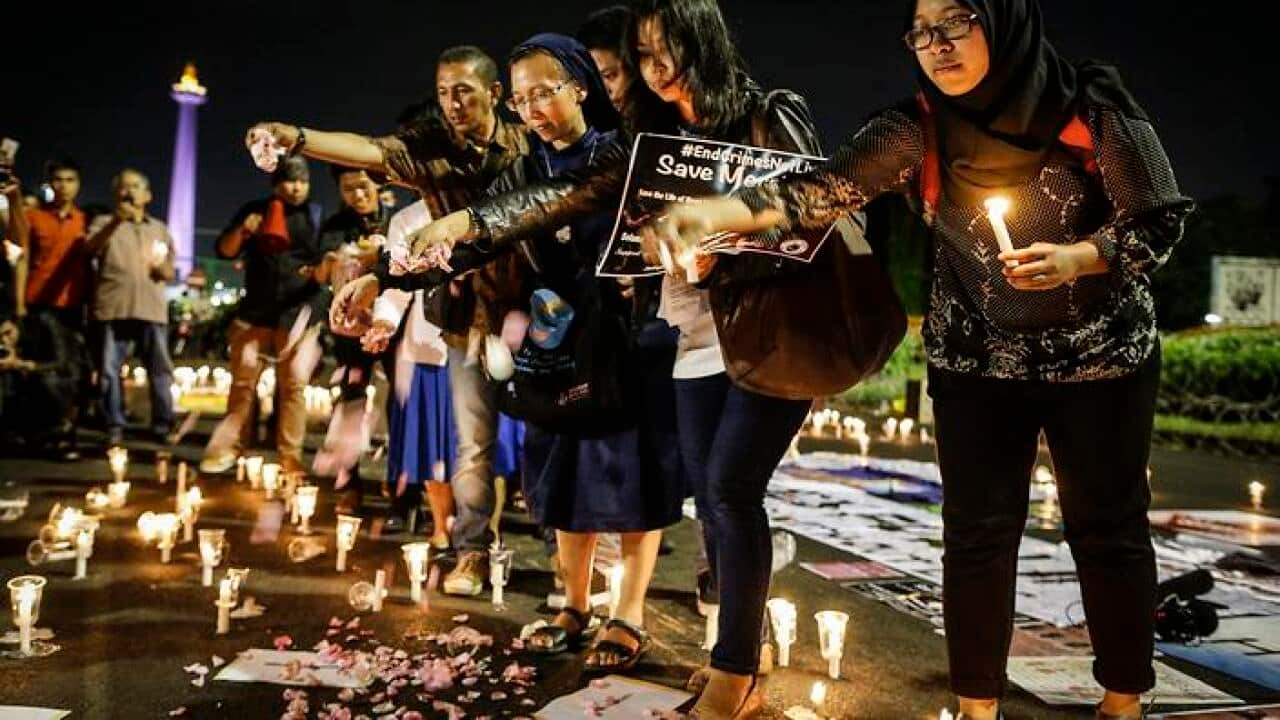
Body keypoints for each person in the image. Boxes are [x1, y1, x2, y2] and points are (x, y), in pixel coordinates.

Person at [645, 1, 1194, 717]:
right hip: (974, 360)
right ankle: (976, 706)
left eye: (957, 21)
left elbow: (1159, 217)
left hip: (1101, 361)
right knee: (975, 536)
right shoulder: (918, 127)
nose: (937, 45)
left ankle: (1122, 701)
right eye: (922, 31)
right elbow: (819, 191)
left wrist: (1082, 257)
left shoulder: (1091, 108)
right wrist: (713, 214)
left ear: (1003, 20)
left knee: (1108, 529)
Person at [342, 2, 835, 714]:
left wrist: (716, 236)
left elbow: (814, 204)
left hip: (758, 332)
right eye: (640, 59)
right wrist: (397, 268)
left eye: (661, 54)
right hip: (689, 338)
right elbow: (544, 202)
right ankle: (733, 655)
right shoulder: (646, 144)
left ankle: (730, 664)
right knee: (716, 499)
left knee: (724, 492)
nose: (653, 72)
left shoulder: (763, 114)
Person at [247, 46, 531, 596]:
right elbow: (370, 150)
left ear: (495, 93)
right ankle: (472, 551)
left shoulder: (526, 144)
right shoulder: (431, 150)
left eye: (464, 91)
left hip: (531, 315)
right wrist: (297, 137)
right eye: (444, 93)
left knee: (544, 439)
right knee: (472, 445)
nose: (453, 103)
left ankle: (570, 555)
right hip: (465, 322)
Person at [199, 156, 327, 475]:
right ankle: (232, 447)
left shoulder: (316, 216)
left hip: (298, 314)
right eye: (290, 180)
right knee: (242, 384)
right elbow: (225, 250)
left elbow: (326, 264)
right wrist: (244, 231)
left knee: (293, 388)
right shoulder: (255, 210)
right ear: (275, 183)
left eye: (303, 181)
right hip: (255, 313)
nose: (297, 187)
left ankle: (290, 455)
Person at [310, 164, 390, 515]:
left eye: (363, 186)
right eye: (348, 189)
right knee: (351, 398)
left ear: (378, 184)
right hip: (351, 328)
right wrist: (332, 263)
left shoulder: (395, 220)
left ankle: (402, 484)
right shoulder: (334, 227)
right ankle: (348, 480)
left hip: (392, 322)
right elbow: (319, 274)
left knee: (400, 401)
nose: (358, 195)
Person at [3, 157, 91, 459]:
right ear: (50, 184)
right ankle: (41, 433)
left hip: (72, 306)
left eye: (70, 180)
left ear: (78, 185)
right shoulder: (34, 217)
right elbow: (21, 258)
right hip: (39, 304)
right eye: (58, 180)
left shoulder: (86, 221)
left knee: (70, 371)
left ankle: (64, 431)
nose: (64, 186)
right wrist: (19, 304)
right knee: (39, 372)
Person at [85, 169, 176, 445]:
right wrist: (116, 221)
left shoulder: (160, 229)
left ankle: (163, 423)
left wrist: (163, 269)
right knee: (109, 370)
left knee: (160, 370)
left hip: (151, 308)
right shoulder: (103, 223)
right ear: (116, 193)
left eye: (136, 186)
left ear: (147, 195)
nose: (129, 191)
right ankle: (114, 423)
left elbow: (170, 270)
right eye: (124, 186)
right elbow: (89, 250)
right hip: (113, 306)